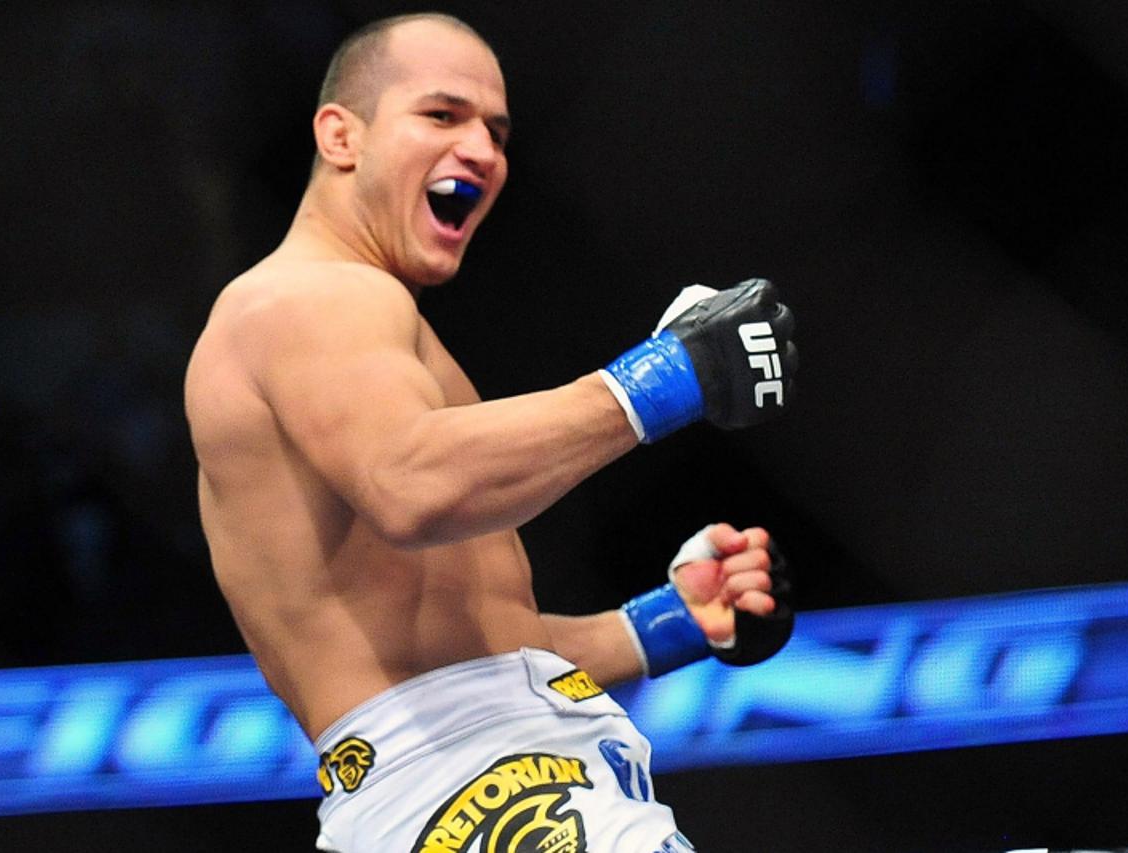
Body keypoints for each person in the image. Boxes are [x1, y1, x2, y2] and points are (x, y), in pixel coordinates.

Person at [184, 12, 797, 852]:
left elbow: (474, 642)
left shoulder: (360, 329)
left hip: (468, 785)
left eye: (497, 132)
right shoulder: (307, 298)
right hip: (481, 784)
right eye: (441, 115)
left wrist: (665, 623)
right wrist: (670, 375)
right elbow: (411, 486)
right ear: (341, 135)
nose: (482, 150)